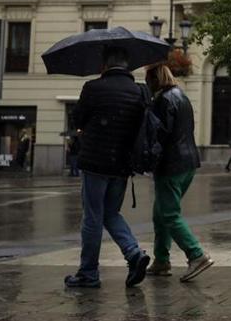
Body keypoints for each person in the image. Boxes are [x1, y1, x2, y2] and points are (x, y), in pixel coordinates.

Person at [65, 46, 150, 288]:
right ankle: (134, 252)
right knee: (111, 213)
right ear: (127, 65)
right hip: (122, 165)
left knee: (92, 216)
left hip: (95, 162)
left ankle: (88, 273)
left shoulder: (93, 88)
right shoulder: (138, 92)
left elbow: (78, 119)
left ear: (104, 65)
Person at [145, 63, 213, 282]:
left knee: (169, 214)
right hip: (188, 162)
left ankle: (196, 255)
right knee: (160, 213)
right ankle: (162, 261)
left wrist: (147, 157)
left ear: (154, 80)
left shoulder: (162, 101)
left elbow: (160, 135)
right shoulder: (182, 97)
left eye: (148, 81)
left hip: (170, 164)